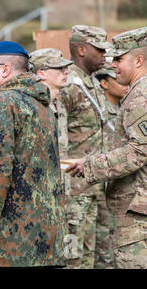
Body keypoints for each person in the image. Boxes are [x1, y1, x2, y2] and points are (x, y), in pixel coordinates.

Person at [0, 41, 66, 267]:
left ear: (5, 70)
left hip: (10, 240)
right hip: (45, 235)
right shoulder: (42, 104)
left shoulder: (2, 102)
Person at [67, 27, 147, 269]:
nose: (112, 65)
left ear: (139, 60)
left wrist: (89, 166)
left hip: (136, 212)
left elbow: (139, 151)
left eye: (119, 59)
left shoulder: (140, 95)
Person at [58, 25, 114, 269]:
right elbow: (57, 136)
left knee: (93, 256)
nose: (104, 55)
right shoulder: (69, 85)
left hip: (94, 186)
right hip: (74, 190)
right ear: (81, 50)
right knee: (74, 259)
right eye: (99, 50)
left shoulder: (90, 82)